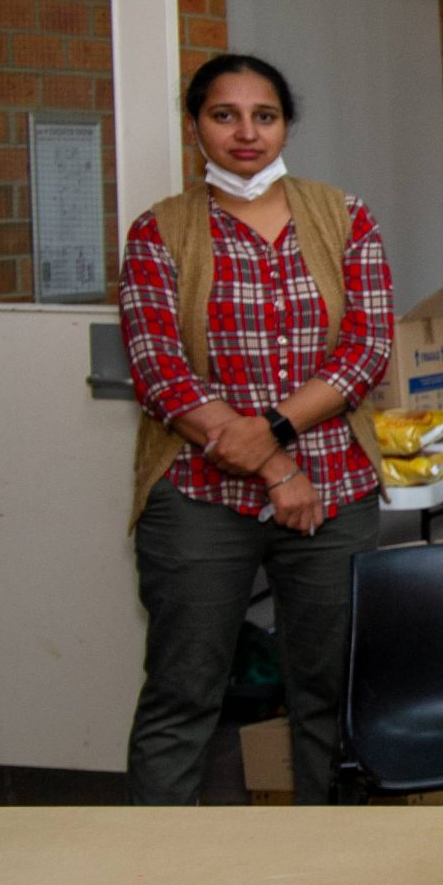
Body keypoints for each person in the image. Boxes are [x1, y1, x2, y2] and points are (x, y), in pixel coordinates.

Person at [119, 52, 392, 805]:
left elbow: (366, 347)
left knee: (331, 695)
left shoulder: (344, 216)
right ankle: (151, 862)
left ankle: (327, 864)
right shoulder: (159, 232)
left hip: (334, 490)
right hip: (198, 496)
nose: (246, 132)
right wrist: (277, 467)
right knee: (183, 693)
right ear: (195, 126)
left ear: (286, 126)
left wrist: (270, 428)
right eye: (224, 115)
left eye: (263, 115)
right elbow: (160, 373)